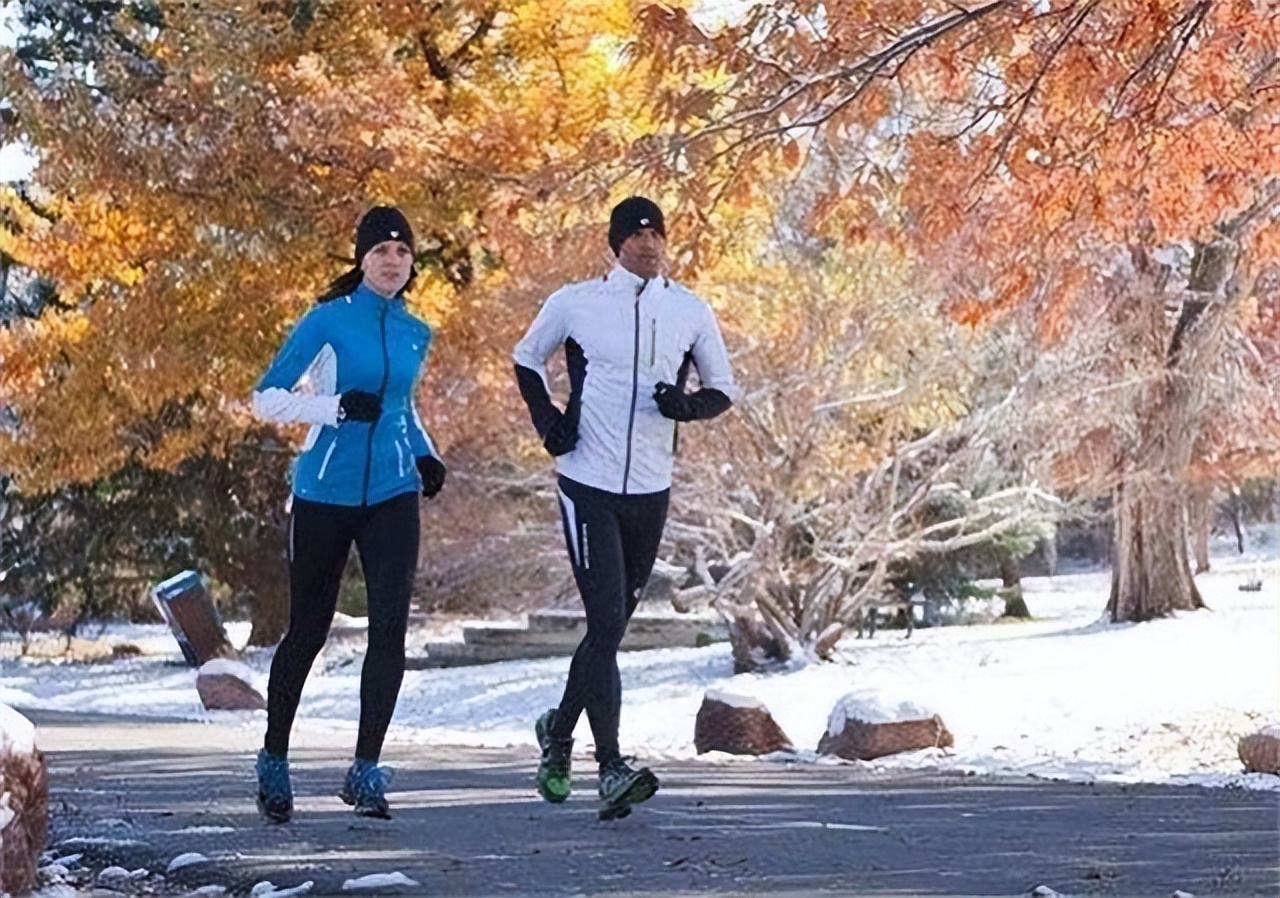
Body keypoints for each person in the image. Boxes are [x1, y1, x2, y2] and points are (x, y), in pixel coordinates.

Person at [512, 196, 739, 820]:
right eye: (634, 233)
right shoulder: (576, 302)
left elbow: (724, 388)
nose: (646, 241)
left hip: (650, 489)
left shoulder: (689, 310)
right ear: (615, 245)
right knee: (607, 620)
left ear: (666, 242)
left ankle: (558, 734)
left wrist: (685, 407)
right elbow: (526, 357)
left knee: (609, 628)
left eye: (655, 231)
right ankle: (610, 767)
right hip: (586, 480)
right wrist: (549, 422)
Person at [250, 206, 447, 823]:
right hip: (324, 491)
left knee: (389, 629)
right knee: (308, 630)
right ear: (362, 259)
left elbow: (402, 407)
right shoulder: (327, 321)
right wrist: (333, 407)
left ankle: (365, 771)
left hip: (391, 491)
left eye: (403, 252)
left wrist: (426, 454)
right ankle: (273, 760)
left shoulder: (416, 331)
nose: (393, 260)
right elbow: (266, 399)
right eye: (382, 251)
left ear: (411, 265)